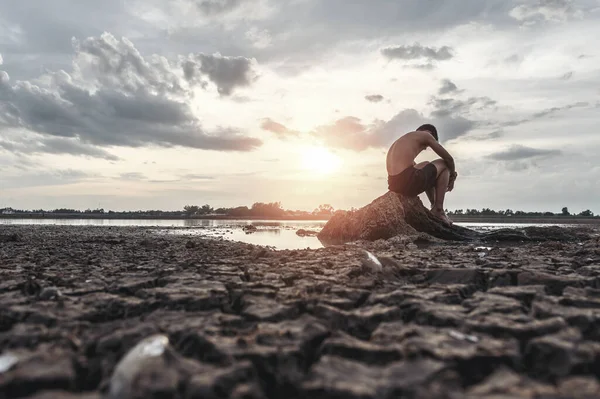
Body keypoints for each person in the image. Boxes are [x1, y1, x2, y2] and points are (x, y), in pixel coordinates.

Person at [386, 124, 457, 225]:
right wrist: (452, 177)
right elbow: (449, 159)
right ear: (429, 133)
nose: (424, 148)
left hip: (394, 184)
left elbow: (415, 168)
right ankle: (439, 209)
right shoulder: (425, 135)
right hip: (407, 180)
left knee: (426, 164)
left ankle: (433, 205)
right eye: (427, 146)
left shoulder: (403, 140)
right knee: (444, 164)